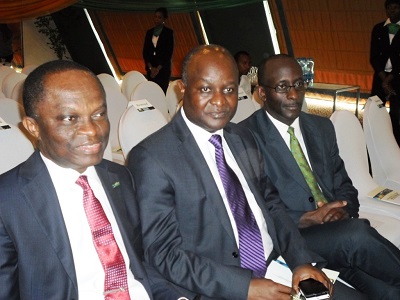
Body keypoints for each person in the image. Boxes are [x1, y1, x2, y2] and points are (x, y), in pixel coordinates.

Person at [126, 44, 372, 300]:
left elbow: (272, 206)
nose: (220, 101)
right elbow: (164, 253)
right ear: (183, 88)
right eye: (206, 89)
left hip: (279, 268)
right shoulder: (153, 157)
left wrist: (299, 261)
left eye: (229, 89)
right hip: (221, 284)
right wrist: (243, 286)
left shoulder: (242, 137)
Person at [0, 60, 181, 299]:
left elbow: (139, 262)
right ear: (33, 127)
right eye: (70, 119)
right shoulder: (8, 201)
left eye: (98, 114)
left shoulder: (120, 177)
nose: (93, 131)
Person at [239, 53, 400, 299]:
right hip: (293, 238)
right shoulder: (245, 138)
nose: (294, 95)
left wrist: (342, 210)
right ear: (261, 93)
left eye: (298, 84)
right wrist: (307, 218)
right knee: (356, 235)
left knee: (389, 292)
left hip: (336, 235)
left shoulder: (320, 127)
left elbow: (345, 185)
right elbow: (255, 211)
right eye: (282, 87)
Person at [370, 0, 400, 146]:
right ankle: (375, 141)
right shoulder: (378, 28)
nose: (392, 11)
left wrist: (389, 80)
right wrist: (384, 79)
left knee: (396, 114)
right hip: (380, 77)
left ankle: (394, 144)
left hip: (397, 78)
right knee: (375, 109)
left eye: (395, 7)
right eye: (389, 8)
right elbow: (373, 57)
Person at [143, 7, 174, 94]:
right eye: (155, 17)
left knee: (162, 92)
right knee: (151, 92)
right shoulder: (149, 32)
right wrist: (150, 67)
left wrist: (158, 69)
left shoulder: (168, 33)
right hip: (151, 68)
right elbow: (145, 51)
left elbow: (169, 52)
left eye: (159, 17)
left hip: (163, 68)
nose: (156, 19)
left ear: (164, 19)